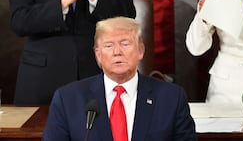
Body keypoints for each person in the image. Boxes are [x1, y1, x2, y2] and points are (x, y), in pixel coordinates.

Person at [9, 0, 136, 104]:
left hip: (96, 73)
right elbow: (20, 21)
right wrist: (64, 2)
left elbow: (126, 14)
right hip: (43, 79)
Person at [43, 17, 197, 141]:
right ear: (98, 55)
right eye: (109, 46)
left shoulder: (171, 98)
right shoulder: (68, 99)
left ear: (140, 51)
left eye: (125, 43)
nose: (117, 52)